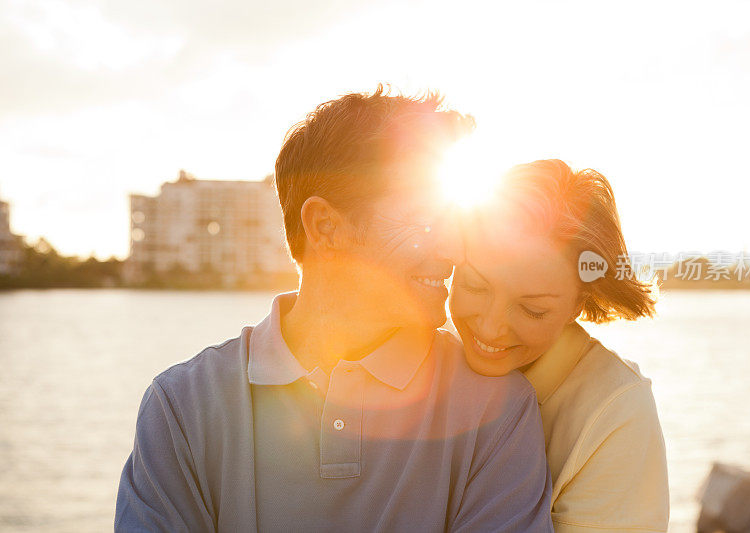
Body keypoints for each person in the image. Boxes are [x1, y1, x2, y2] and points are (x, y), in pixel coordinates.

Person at [114, 88, 554, 532]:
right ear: (326, 227)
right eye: (426, 220)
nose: (454, 247)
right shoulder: (180, 410)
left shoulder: (497, 408)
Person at [449, 159, 670, 532]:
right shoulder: (422, 350)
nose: (489, 327)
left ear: (577, 305)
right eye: (473, 285)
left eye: (532, 310)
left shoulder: (616, 411)